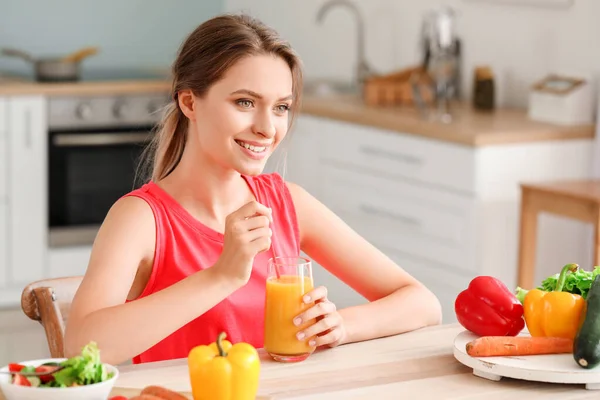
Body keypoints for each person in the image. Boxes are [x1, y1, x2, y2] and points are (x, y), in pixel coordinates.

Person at [64, 13, 442, 366]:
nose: (267, 128)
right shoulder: (142, 219)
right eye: (245, 102)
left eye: (281, 107)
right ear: (189, 101)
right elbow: (81, 344)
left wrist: (340, 327)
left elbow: (422, 303)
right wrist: (222, 275)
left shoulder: (287, 204)